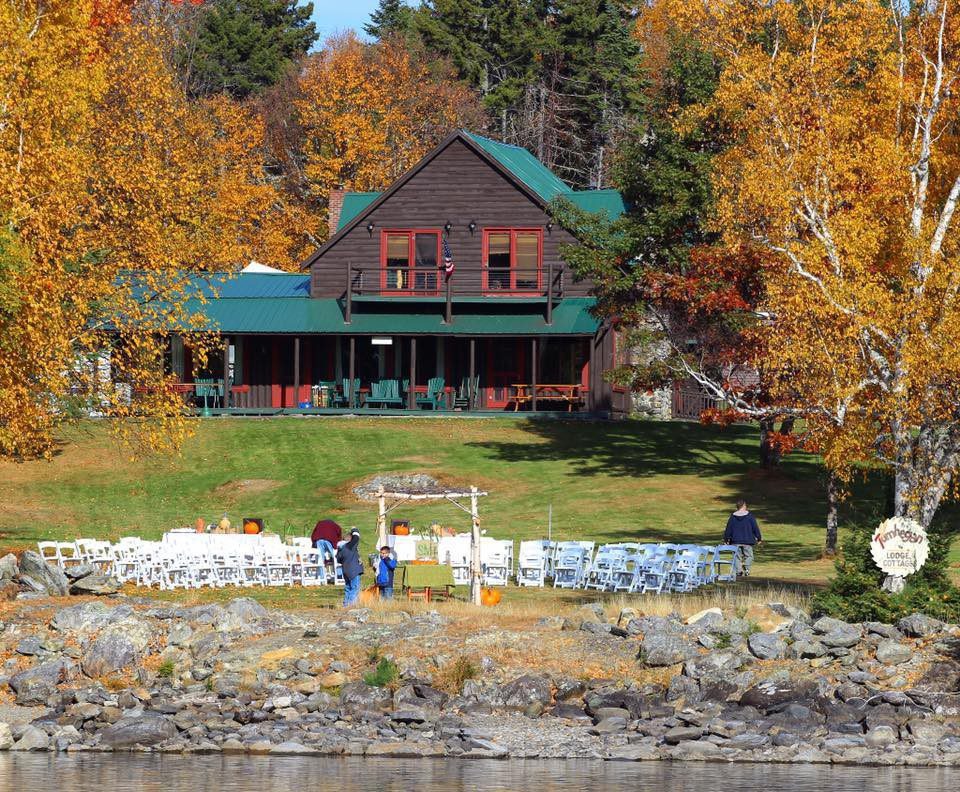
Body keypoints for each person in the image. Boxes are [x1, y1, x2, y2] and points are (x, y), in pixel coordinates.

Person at [724, 499, 762, 576]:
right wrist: (758, 538)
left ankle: (739, 572)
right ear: (744, 505)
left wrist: (726, 539)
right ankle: (746, 567)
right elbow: (755, 527)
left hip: (735, 541)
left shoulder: (733, 517)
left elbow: (728, 529)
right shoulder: (749, 516)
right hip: (747, 540)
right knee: (749, 556)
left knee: (736, 557)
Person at [336, 528, 363, 606]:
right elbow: (356, 538)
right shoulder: (349, 546)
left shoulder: (340, 549)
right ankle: (351, 605)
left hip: (345, 571)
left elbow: (338, 560)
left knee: (348, 588)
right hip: (353, 571)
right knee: (355, 588)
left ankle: (345, 604)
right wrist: (355, 530)